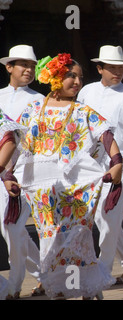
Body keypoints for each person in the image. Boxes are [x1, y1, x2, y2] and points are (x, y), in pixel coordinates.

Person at [16, 53, 122, 299]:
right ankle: (58, 289)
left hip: (76, 187)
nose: (76, 81)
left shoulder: (82, 110)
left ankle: (85, 287)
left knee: (77, 237)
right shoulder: (34, 108)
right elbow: (17, 141)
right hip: (43, 189)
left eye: (80, 77)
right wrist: (9, 172)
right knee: (50, 238)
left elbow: (106, 135)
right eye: (70, 75)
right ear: (54, 77)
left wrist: (117, 162)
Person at [77, 45, 123, 285]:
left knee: (108, 220)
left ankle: (102, 272)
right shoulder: (86, 92)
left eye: (121, 68)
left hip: (118, 167)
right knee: (103, 220)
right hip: (89, 166)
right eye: (112, 67)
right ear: (100, 68)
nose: (118, 72)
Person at [0, 44, 43, 299]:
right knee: (12, 232)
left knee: (13, 229)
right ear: (9, 67)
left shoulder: (39, 101)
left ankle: (14, 287)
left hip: (26, 173)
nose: (28, 70)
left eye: (32, 66)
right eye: (23, 65)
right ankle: (45, 276)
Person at [0, 108, 29, 300]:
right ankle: (44, 272)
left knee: (12, 230)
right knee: (16, 233)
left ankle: (13, 285)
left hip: (5, 179)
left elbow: (10, 137)